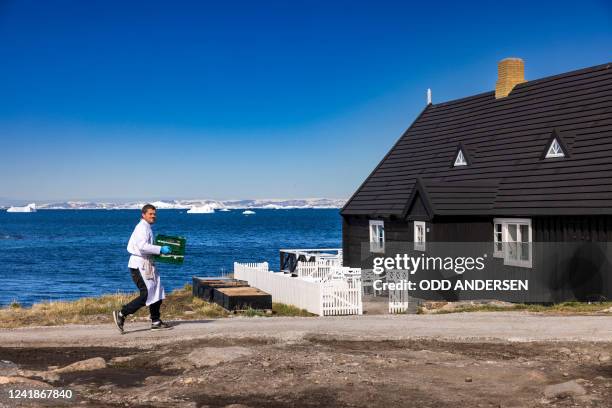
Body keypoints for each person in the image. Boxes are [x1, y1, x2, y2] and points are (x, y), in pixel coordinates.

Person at [113, 204, 173, 333]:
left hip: (147, 264)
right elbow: (142, 246)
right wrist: (160, 249)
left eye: (154, 214)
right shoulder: (141, 227)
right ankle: (122, 313)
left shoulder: (147, 227)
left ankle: (156, 321)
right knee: (146, 294)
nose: (153, 216)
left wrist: (159, 252)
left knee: (157, 291)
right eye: (150, 214)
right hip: (139, 264)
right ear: (143, 214)